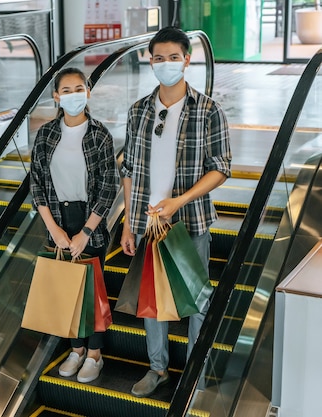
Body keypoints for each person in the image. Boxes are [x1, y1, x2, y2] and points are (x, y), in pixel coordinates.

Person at [120, 26, 232, 398]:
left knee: (197, 298)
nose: (165, 64)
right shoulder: (138, 111)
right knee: (153, 299)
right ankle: (157, 368)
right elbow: (129, 170)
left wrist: (178, 202)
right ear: (149, 61)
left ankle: (196, 372)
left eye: (173, 57)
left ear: (187, 59)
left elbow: (221, 167)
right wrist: (127, 224)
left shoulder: (208, 110)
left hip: (189, 221)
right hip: (146, 222)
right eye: (158, 57)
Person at [30, 67, 119, 383]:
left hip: (89, 222)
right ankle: (76, 349)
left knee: (92, 292)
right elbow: (37, 184)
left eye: (78, 88)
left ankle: (95, 354)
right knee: (66, 290)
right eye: (66, 90)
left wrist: (86, 232)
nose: (73, 95)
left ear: (88, 93)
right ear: (56, 96)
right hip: (57, 221)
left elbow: (110, 186)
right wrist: (54, 229)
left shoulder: (99, 135)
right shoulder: (46, 134)